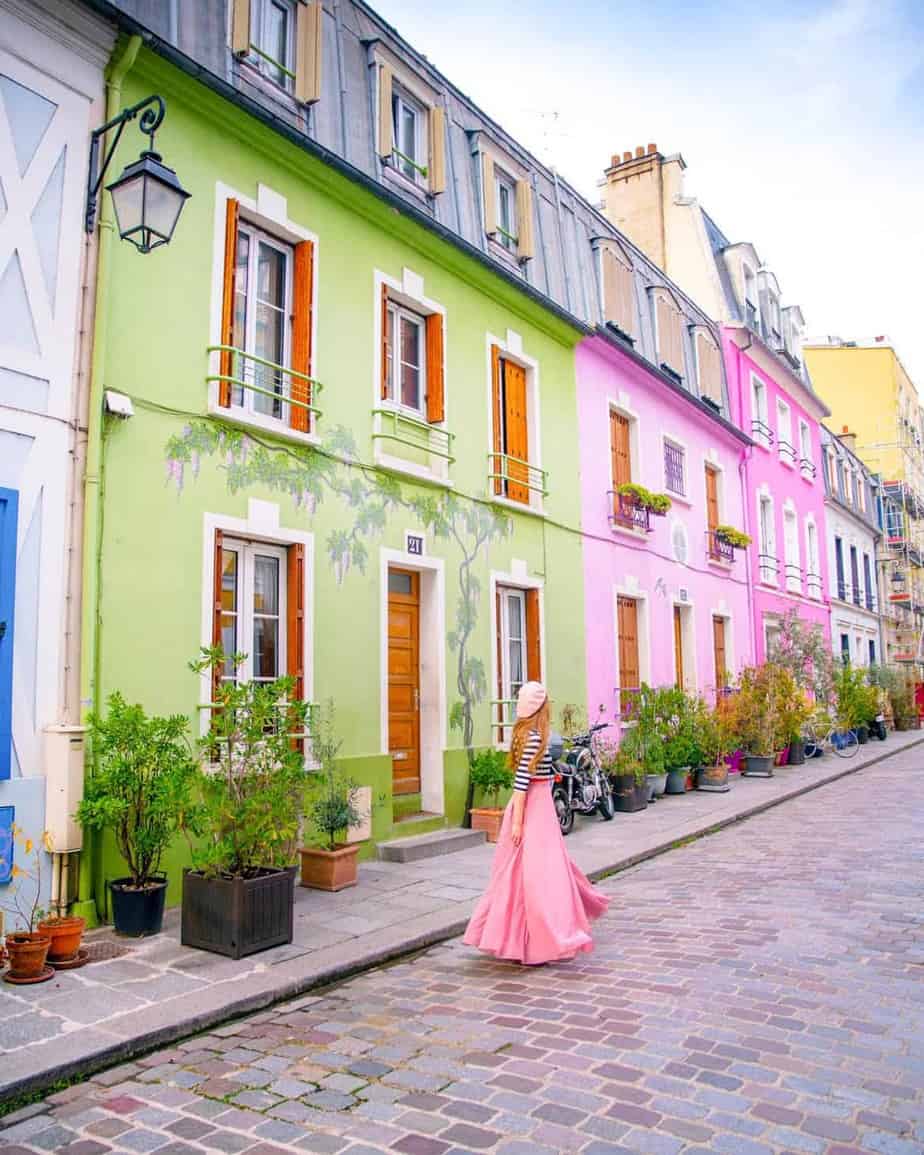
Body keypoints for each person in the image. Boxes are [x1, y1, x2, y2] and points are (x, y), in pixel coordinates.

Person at [463, 681, 609, 965]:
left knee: (526, 874)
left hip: (530, 808)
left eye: (520, 700)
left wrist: (517, 823)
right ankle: (532, 935)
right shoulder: (541, 736)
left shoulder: (529, 737)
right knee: (540, 871)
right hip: (539, 808)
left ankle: (531, 937)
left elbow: (520, 785)